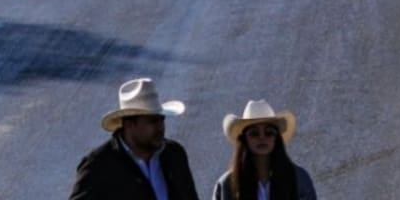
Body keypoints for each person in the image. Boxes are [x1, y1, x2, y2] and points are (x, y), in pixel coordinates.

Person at [69, 77, 200, 200]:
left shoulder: (174, 154)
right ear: (129, 124)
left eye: (162, 120)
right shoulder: (98, 166)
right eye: (153, 121)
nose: (160, 127)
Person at [213, 99, 316, 200]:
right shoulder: (226, 185)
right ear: (244, 139)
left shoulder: (299, 179)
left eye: (269, 132)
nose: (262, 138)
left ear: (277, 138)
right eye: (254, 133)